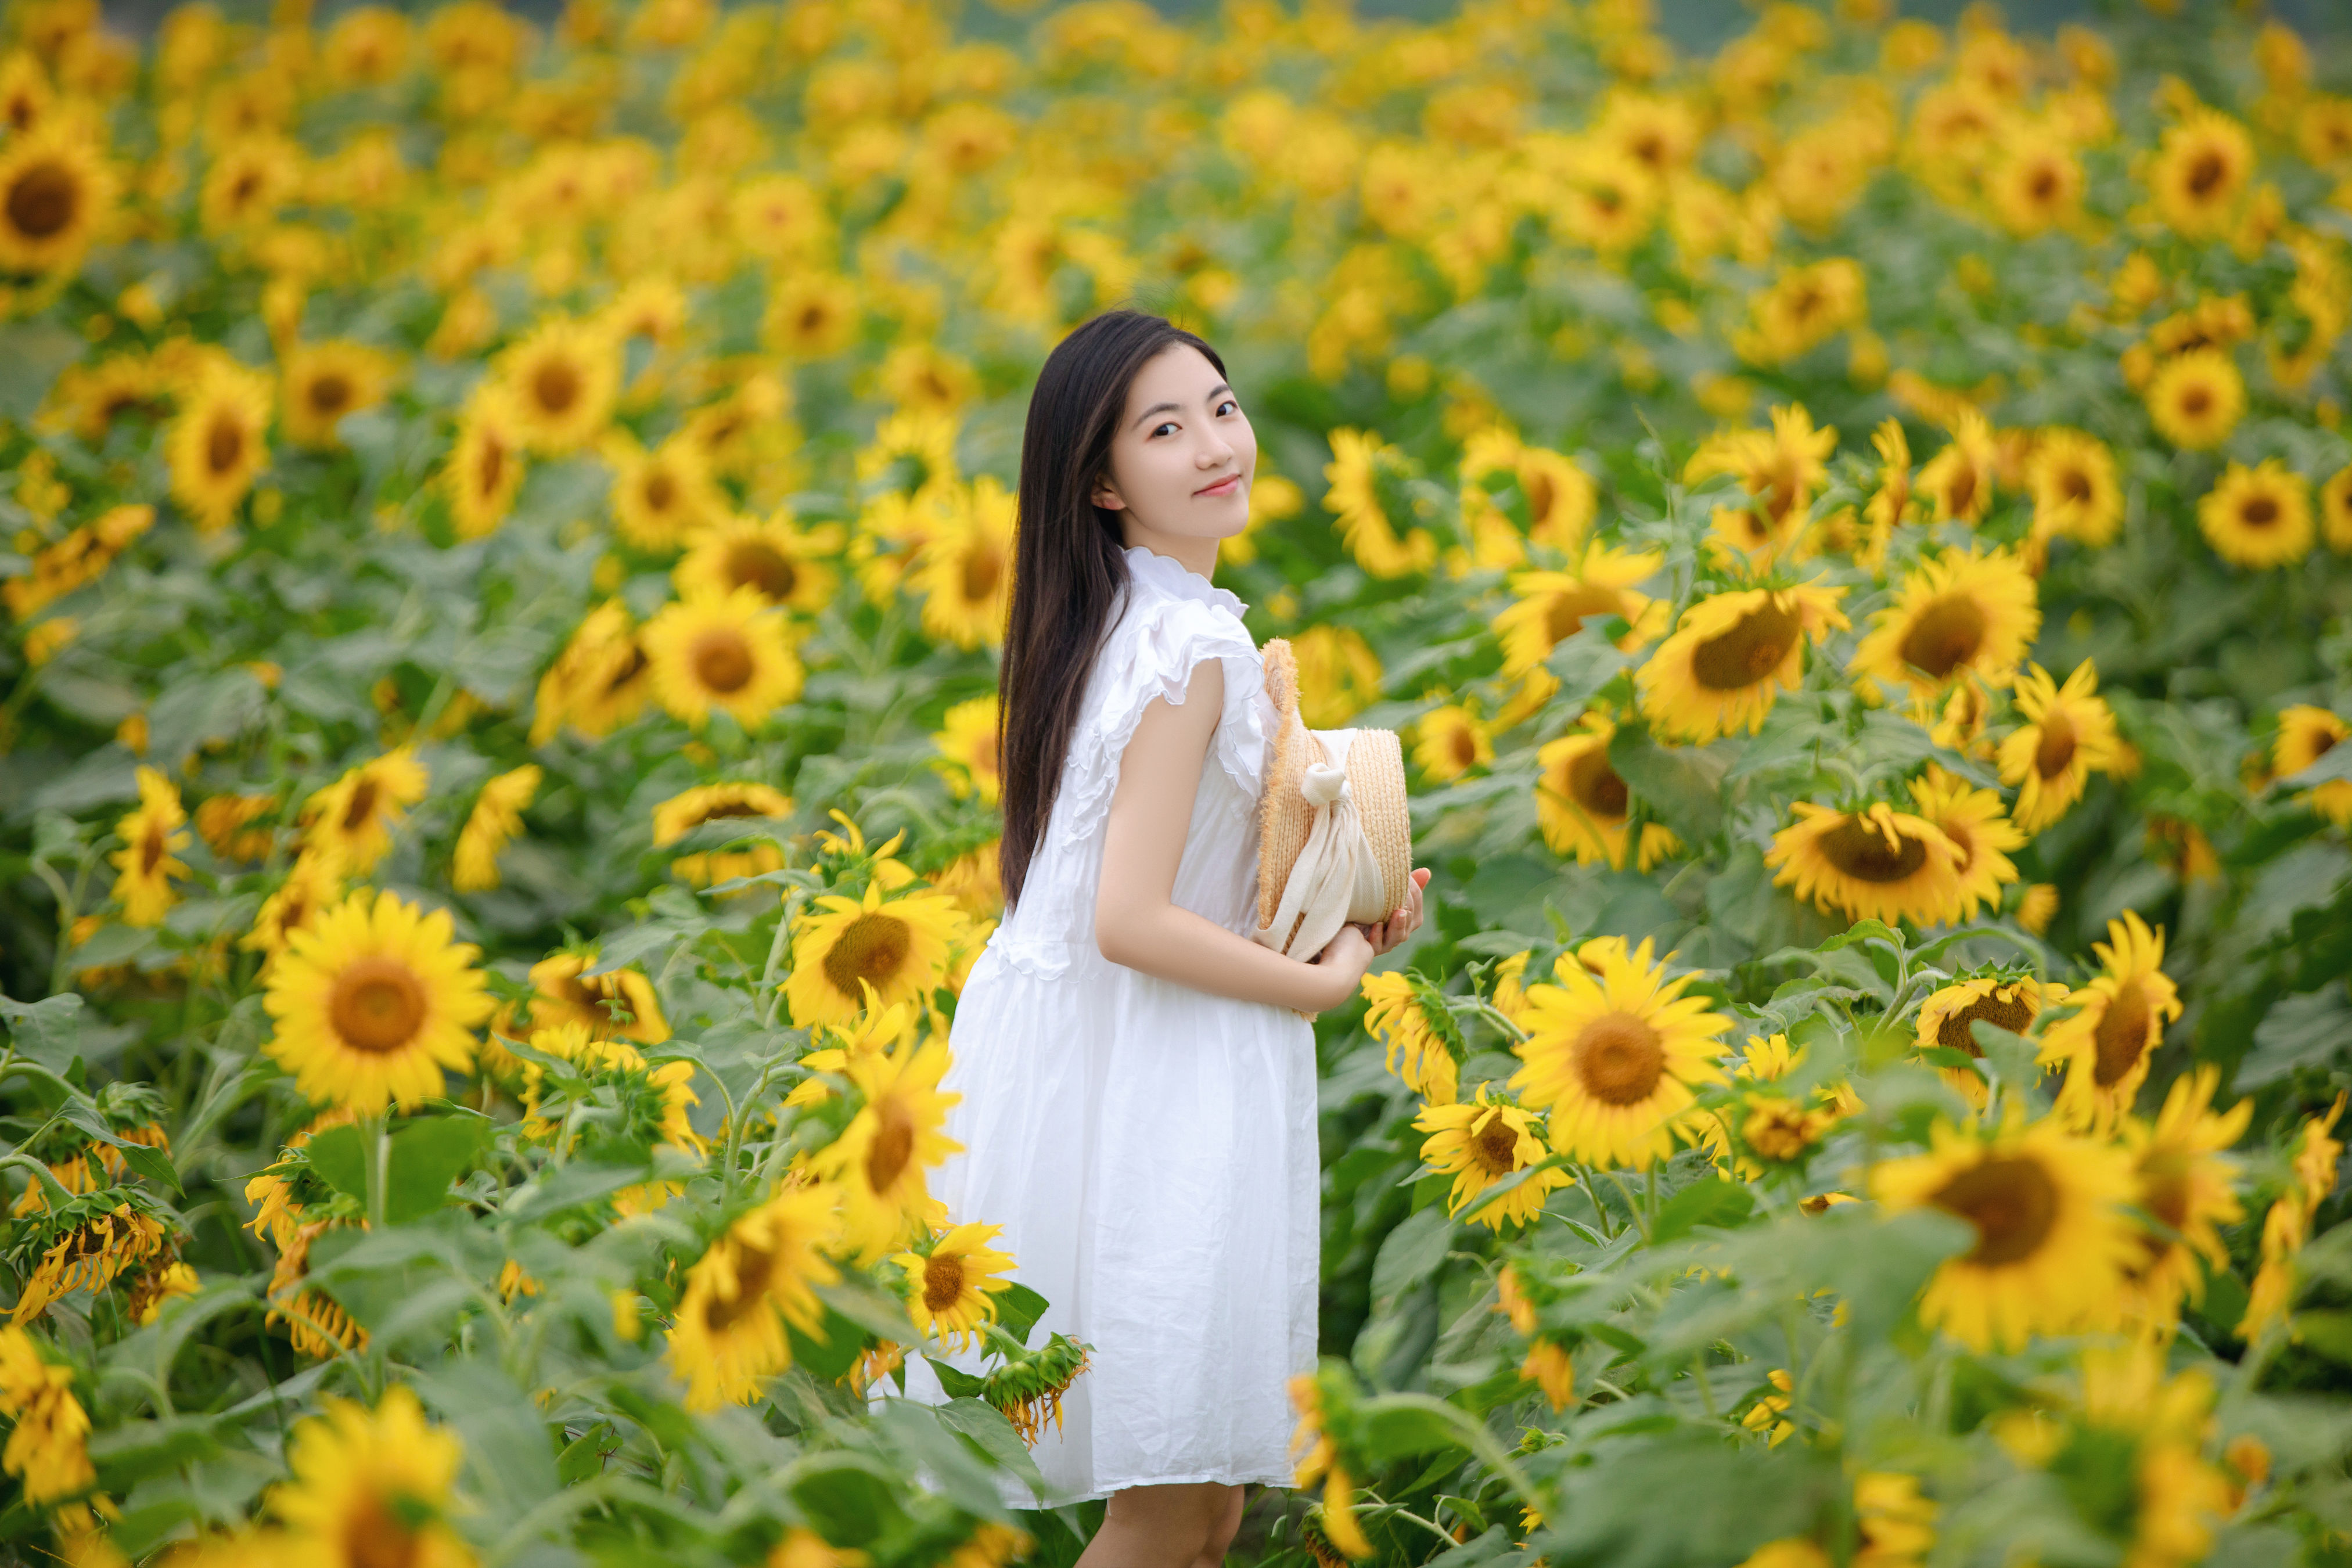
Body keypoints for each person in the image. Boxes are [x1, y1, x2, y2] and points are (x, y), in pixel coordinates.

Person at [898, 309, 1430, 1565]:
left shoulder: (1121, 622)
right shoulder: (1191, 644)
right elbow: (1129, 917)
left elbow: (1169, 880)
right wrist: (1326, 985)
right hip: (1159, 1079)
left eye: (1223, 407)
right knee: (1165, 1517)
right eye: (1164, 428)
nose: (1213, 443)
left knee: (1203, 1512)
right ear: (1099, 480)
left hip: (1115, 1062)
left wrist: (1333, 909)